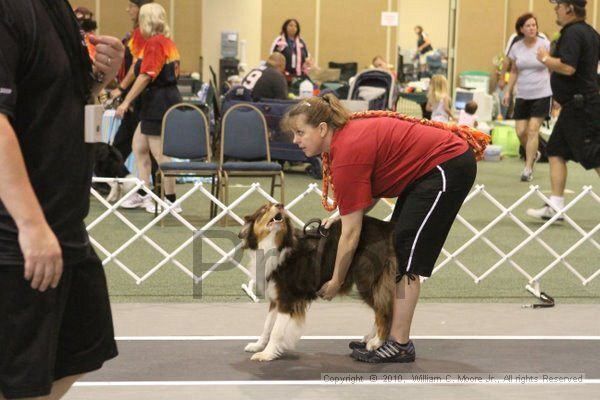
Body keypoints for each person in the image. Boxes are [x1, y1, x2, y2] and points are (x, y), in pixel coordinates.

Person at [282, 94, 488, 363]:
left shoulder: (346, 153)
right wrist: (343, 215)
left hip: (446, 166)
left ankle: (400, 343)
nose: (295, 140)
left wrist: (336, 280)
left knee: (405, 255)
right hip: (429, 168)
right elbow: (371, 189)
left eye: (300, 133)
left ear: (322, 129)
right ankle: (385, 334)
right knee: (396, 245)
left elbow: (351, 234)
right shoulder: (344, 140)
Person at [0, 0, 123, 398]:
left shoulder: (62, 14)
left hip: (67, 225)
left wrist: (97, 86)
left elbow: (83, 127)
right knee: (20, 381)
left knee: (82, 352)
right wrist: (31, 226)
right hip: (17, 235)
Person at [527, 0, 600, 220]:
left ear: (569, 8)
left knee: (595, 155)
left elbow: (568, 67)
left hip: (582, 107)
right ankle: (556, 205)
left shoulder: (573, 33)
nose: (555, 10)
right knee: (555, 151)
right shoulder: (590, 32)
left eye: (558, 6)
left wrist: (545, 59)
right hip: (575, 105)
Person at [116, 3, 183, 213]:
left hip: (159, 102)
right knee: (139, 147)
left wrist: (126, 101)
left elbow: (146, 75)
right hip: (155, 101)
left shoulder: (155, 44)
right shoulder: (163, 42)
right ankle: (145, 193)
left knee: (160, 154)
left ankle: (171, 200)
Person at [502, 13, 552, 182]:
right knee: (520, 131)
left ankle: (528, 167)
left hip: (542, 93)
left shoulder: (545, 44)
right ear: (521, 29)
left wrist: (557, 92)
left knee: (532, 130)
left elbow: (552, 68)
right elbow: (514, 70)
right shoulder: (517, 47)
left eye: (534, 25)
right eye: (528, 26)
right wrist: (508, 92)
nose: (532, 28)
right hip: (523, 94)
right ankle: (535, 152)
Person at [110, 0, 154, 177]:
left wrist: (122, 91)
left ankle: (119, 182)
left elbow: (137, 68)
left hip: (139, 98)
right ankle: (142, 189)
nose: (128, 9)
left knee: (124, 146)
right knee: (140, 147)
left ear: (141, 9)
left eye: (132, 6)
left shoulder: (143, 35)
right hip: (135, 97)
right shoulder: (137, 34)